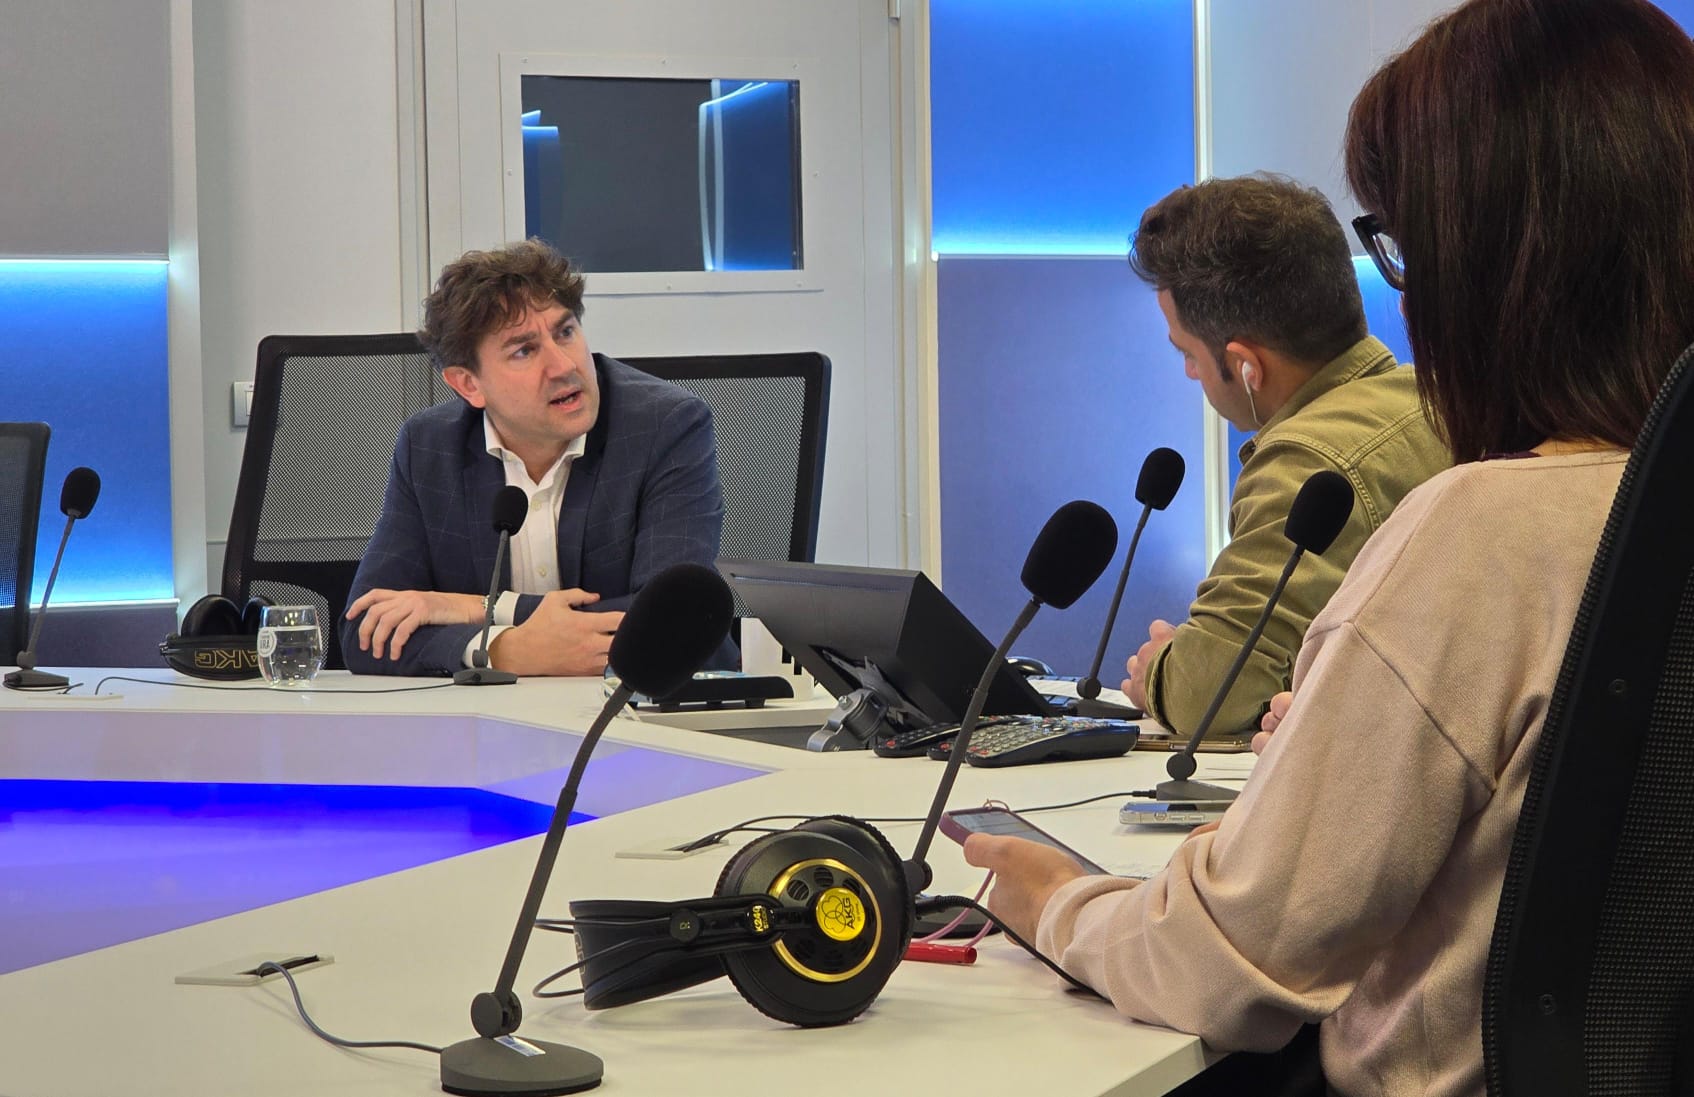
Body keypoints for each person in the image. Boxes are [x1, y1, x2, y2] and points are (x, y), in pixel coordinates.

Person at [965, 1, 1694, 1093]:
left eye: (1402, 244)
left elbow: (1229, 961)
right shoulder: (1639, 500)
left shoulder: (1487, 530)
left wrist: (1047, 898)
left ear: (1486, 259)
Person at [1120, 174, 1448, 738]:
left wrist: (1159, 673)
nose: (1189, 373)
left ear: (1247, 365)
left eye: (1189, 352)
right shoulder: (1437, 398)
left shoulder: (1305, 462)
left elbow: (1209, 698)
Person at [340, 240, 725, 677]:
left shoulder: (666, 426)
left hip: (651, 713)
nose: (563, 365)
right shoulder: (429, 446)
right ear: (469, 385)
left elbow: (670, 618)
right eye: (524, 350)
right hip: (499, 724)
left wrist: (475, 609)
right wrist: (504, 652)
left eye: (565, 332)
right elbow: (365, 635)